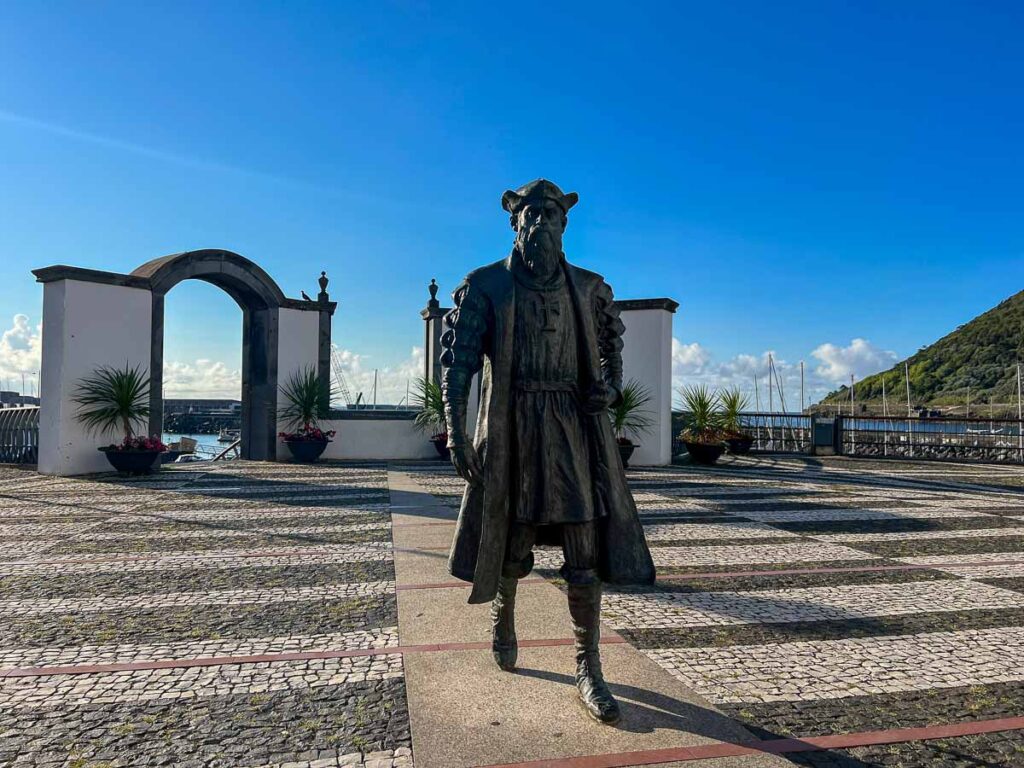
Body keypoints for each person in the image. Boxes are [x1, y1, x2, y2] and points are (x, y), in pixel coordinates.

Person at [440, 179, 655, 724]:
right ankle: (503, 616)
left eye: (552, 215)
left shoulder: (587, 287)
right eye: (531, 214)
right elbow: (459, 363)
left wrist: (609, 388)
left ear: (565, 225)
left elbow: (611, 348)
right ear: (515, 222)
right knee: (511, 533)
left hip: (570, 427)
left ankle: (589, 664)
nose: (542, 224)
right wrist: (457, 433)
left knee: (583, 542)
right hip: (511, 426)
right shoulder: (485, 285)